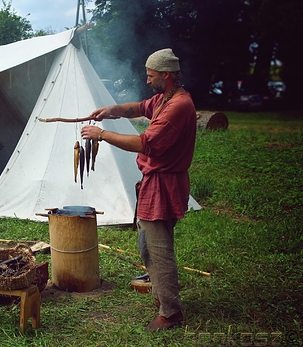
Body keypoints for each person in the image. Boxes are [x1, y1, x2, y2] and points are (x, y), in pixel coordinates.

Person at [81, 48, 197, 331]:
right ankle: (162, 296)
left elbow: (146, 143)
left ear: (167, 75)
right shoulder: (163, 98)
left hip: (163, 183)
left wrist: (103, 135)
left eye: (151, 75)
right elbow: (139, 107)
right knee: (147, 246)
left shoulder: (177, 106)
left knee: (159, 250)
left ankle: (170, 313)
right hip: (155, 182)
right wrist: (113, 111)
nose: (147, 80)